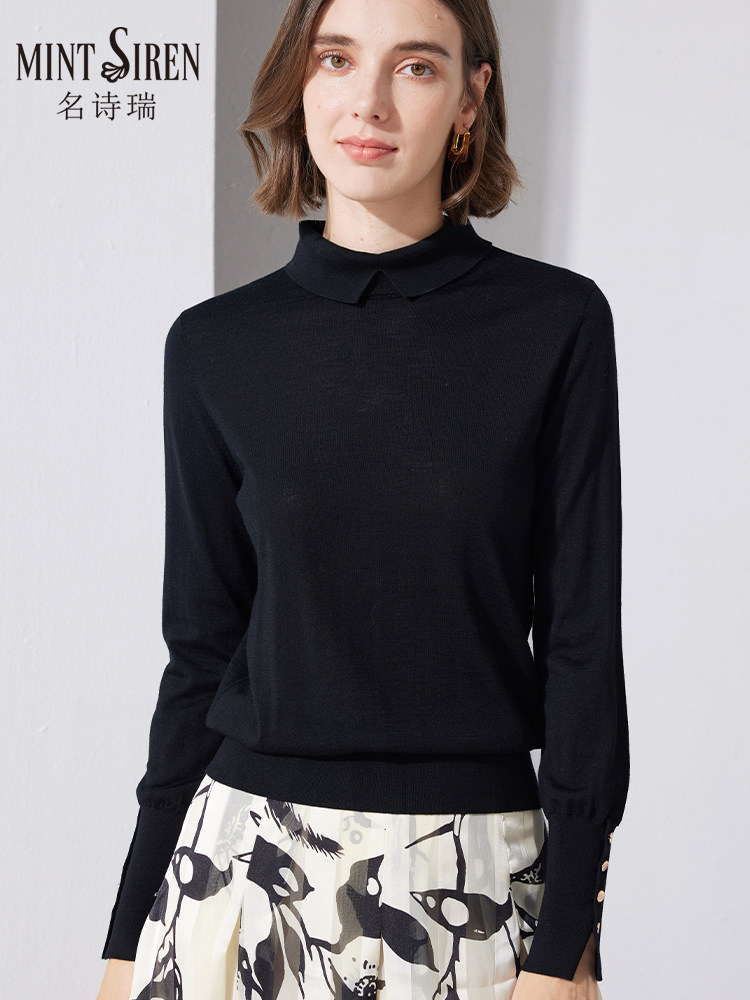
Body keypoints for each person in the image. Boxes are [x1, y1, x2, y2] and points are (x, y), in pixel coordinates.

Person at [95, 0, 629, 997]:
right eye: (336, 59)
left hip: (474, 878)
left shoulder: (556, 326)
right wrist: (128, 935)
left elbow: (582, 649)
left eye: (415, 67)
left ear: (470, 98)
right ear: (300, 84)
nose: (369, 101)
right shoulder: (214, 347)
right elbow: (200, 657)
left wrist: (567, 942)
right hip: (238, 875)